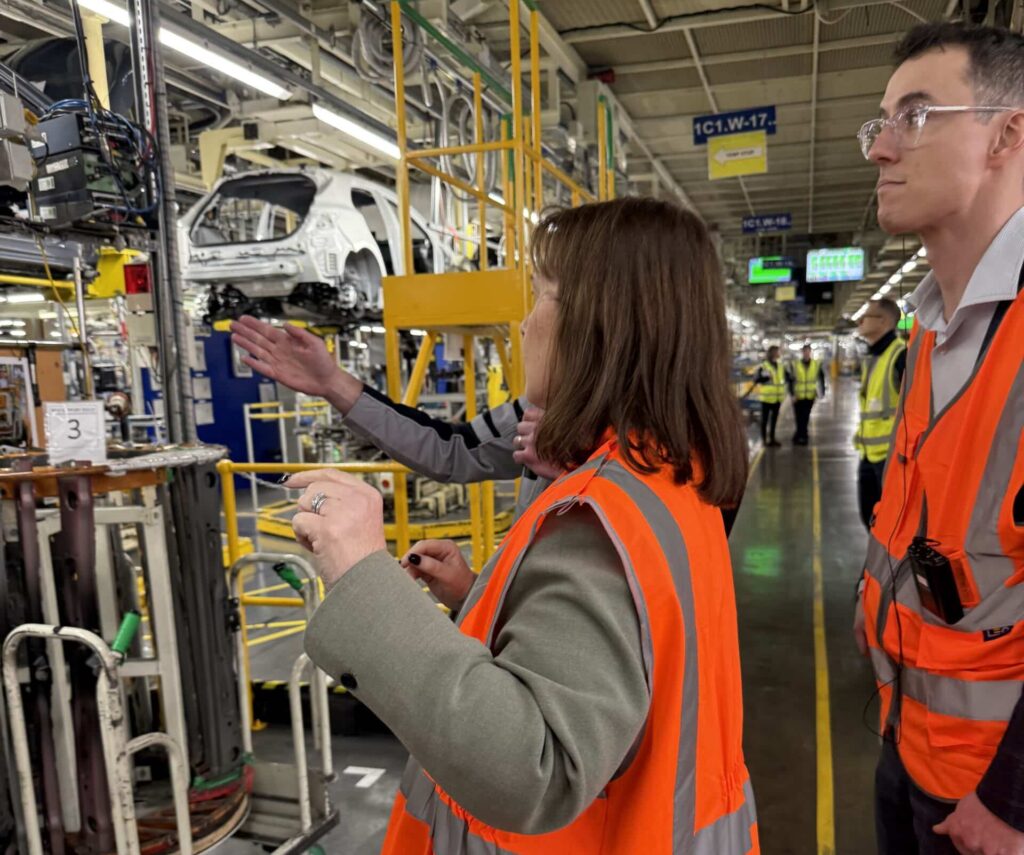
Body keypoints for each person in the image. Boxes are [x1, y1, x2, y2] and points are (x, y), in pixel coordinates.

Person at [282, 198, 759, 853]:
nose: (527, 321)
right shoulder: (678, 463)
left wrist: (360, 570)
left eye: (544, 295)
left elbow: (536, 766)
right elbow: (623, 641)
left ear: (602, 325)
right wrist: (482, 593)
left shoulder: (600, 510)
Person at [853, 22, 1024, 855]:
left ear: (1008, 134)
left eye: (915, 116)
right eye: (879, 123)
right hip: (909, 741)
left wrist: (1014, 799)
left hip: (993, 799)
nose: (881, 149)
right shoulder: (929, 329)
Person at [852, 298, 906, 528]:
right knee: (870, 518)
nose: (860, 321)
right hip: (869, 453)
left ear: (883, 321)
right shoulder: (874, 358)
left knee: (891, 524)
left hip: (891, 458)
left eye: (866, 316)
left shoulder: (901, 357)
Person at [788, 344, 826, 446]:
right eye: (805, 351)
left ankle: (803, 437)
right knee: (798, 417)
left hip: (810, 396)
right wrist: (792, 395)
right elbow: (790, 381)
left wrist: (822, 393)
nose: (806, 353)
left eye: (808, 351)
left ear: (810, 352)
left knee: (805, 417)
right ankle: (799, 434)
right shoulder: (795, 365)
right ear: (802, 352)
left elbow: (821, 379)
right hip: (798, 396)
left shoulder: (816, 364)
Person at [754, 345, 785, 447]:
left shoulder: (780, 366)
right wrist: (766, 378)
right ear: (772, 353)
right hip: (766, 398)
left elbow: (784, 378)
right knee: (765, 420)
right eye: (776, 352)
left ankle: (772, 438)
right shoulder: (764, 366)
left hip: (777, 398)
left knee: (774, 420)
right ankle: (764, 440)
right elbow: (757, 379)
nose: (778, 353)